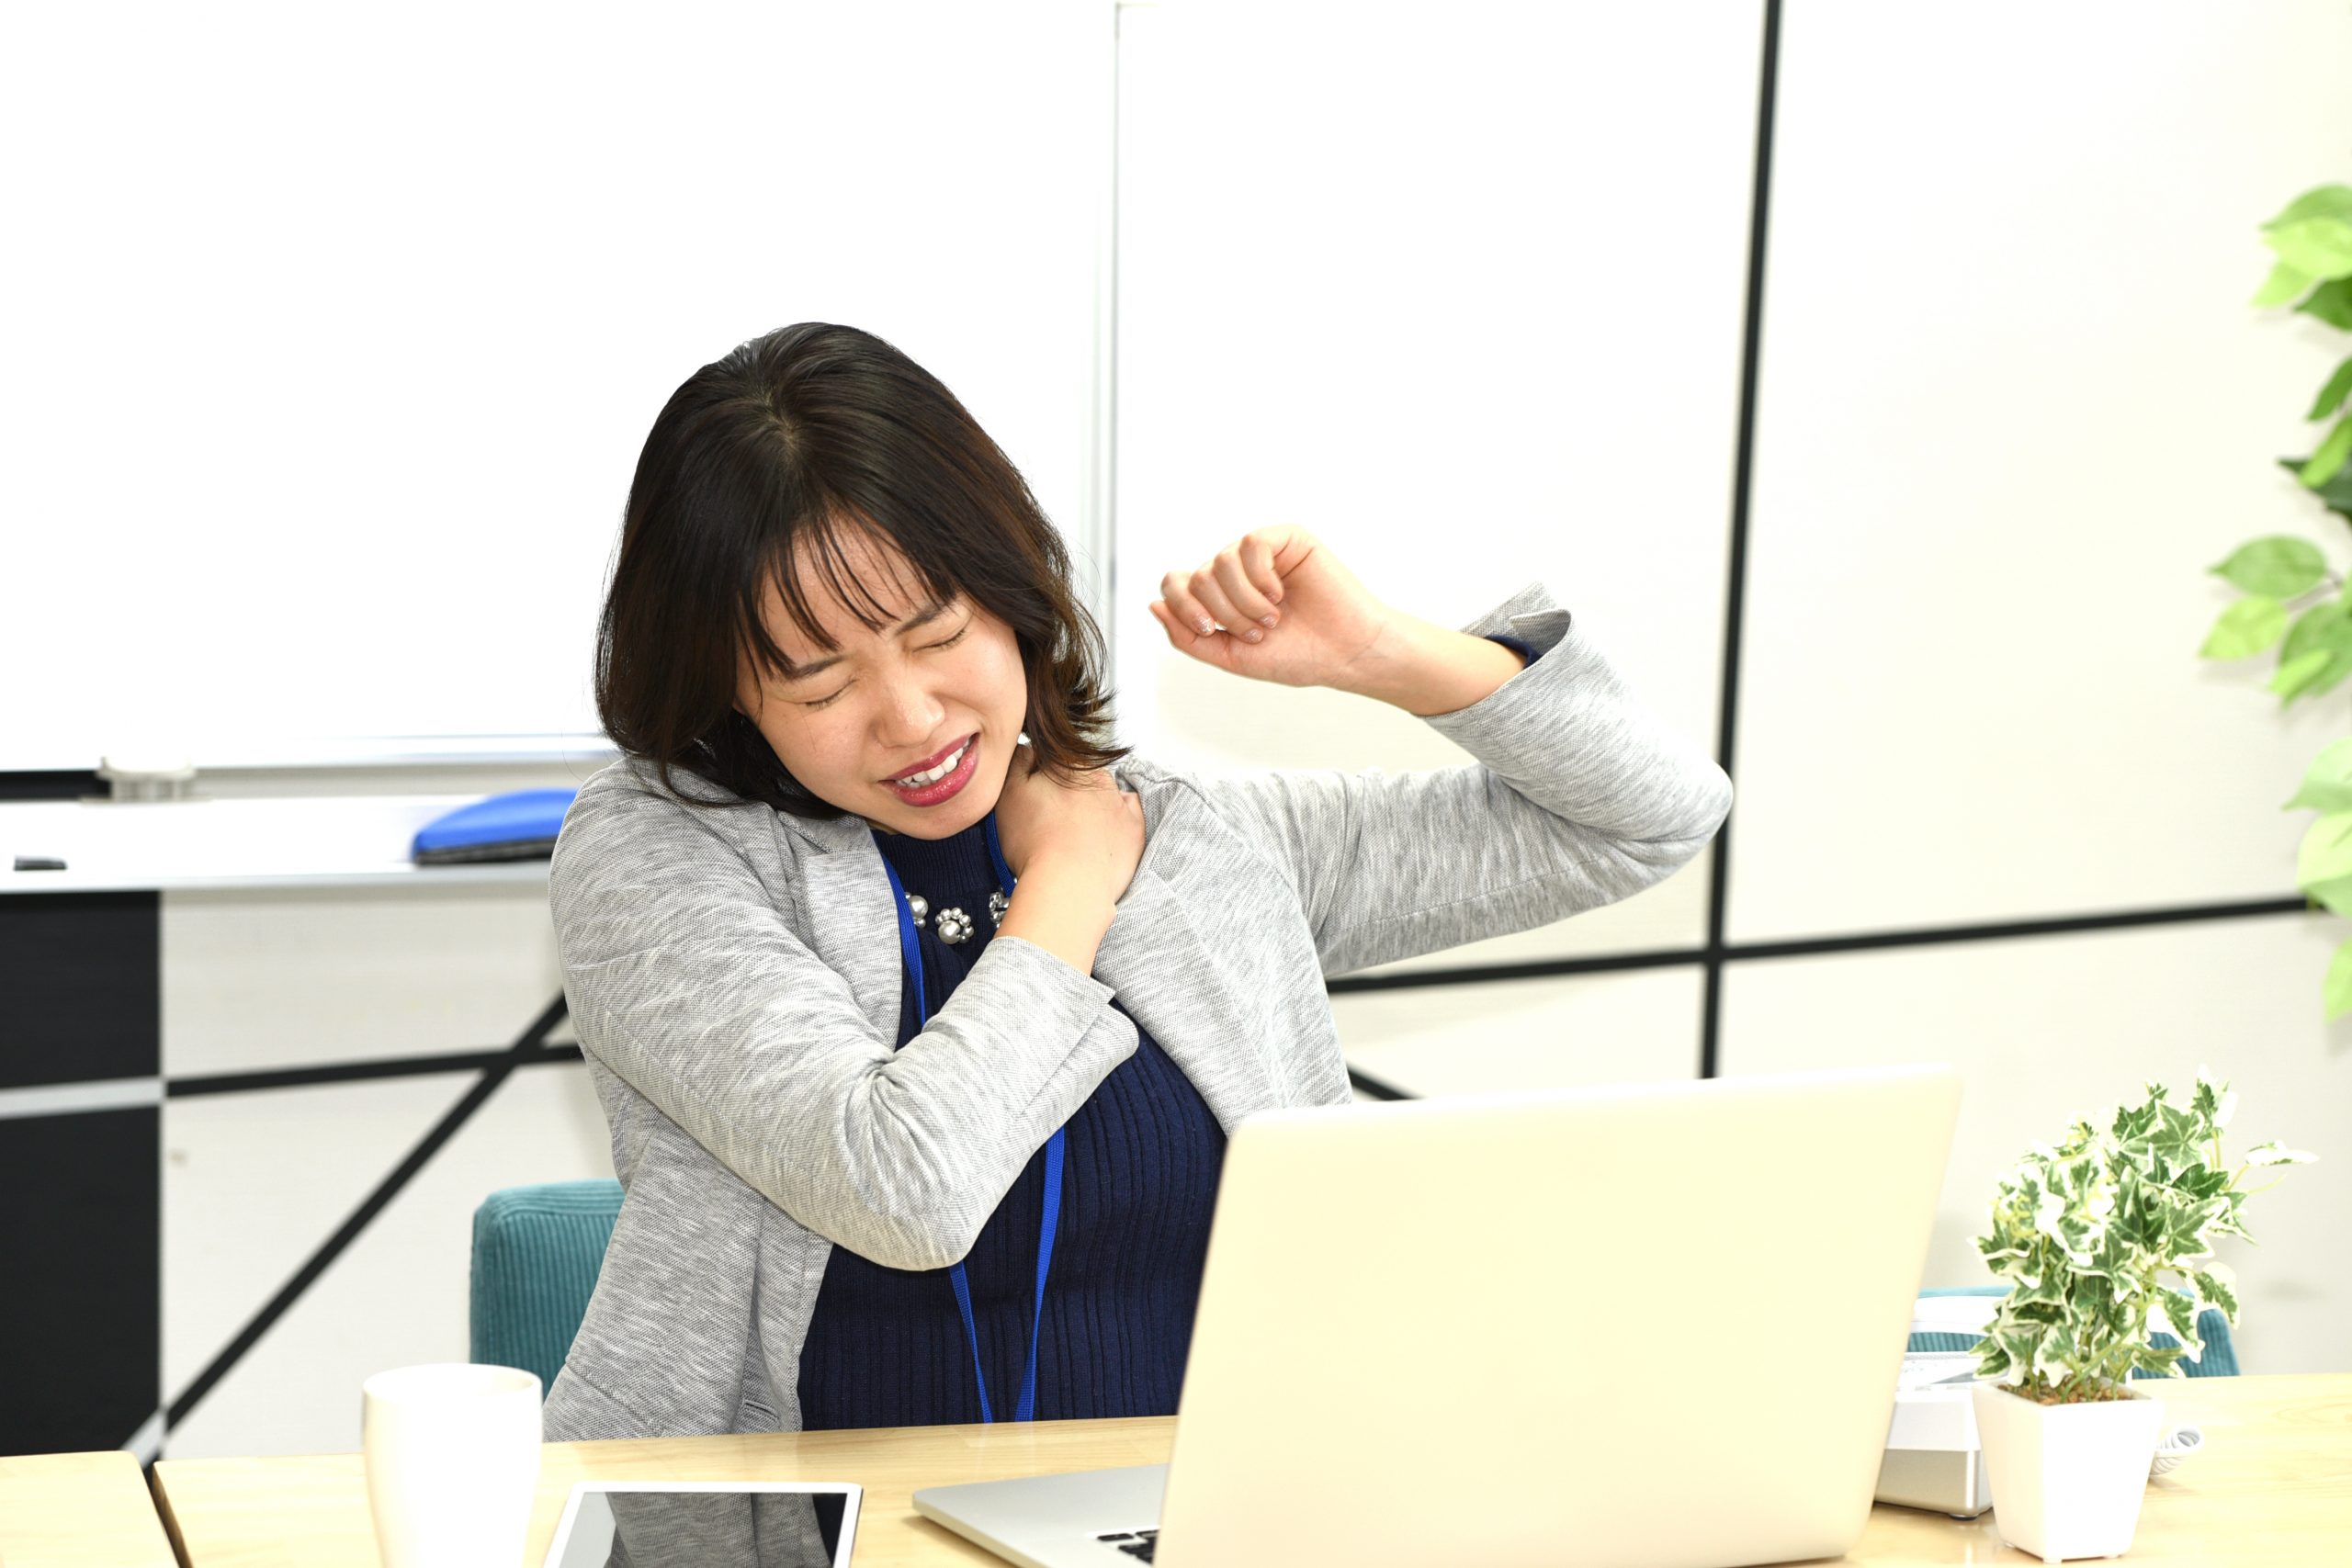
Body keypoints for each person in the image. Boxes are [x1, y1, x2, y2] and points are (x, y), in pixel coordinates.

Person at [541, 321, 1734, 1459]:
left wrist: (1384, 656)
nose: (909, 718)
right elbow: (905, 1188)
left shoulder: (1183, 838)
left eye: (936, 630)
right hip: (830, 1542)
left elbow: (1648, 816)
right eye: (816, 682)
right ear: (726, 691)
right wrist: (1066, 882)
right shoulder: (661, 856)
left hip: (1219, 1528)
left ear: (1011, 595)